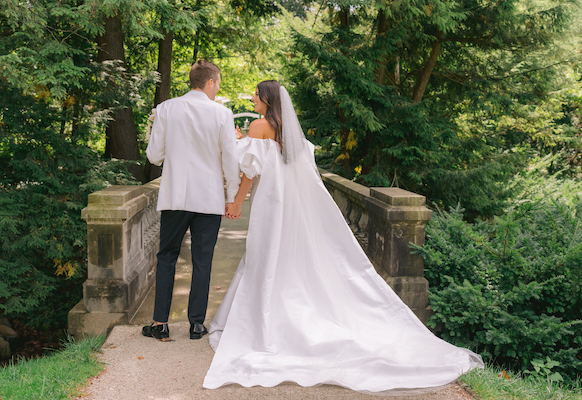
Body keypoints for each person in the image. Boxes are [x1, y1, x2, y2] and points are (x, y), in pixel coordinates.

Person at [203, 80, 483, 393]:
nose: (252, 97)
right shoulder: (290, 134)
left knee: (263, 255)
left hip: (271, 204)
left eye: (256, 93)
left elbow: (250, 172)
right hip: (288, 207)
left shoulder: (258, 126)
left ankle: (263, 323)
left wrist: (237, 201)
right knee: (279, 257)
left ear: (268, 99)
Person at [142, 60, 240, 341]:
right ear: (210, 82)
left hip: (175, 197)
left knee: (167, 257)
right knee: (202, 260)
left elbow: (154, 156)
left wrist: (154, 124)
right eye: (218, 82)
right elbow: (230, 161)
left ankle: (160, 323)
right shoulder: (223, 114)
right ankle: (196, 325)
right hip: (208, 199)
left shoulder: (166, 109)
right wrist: (231, 196)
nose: (218, 87)